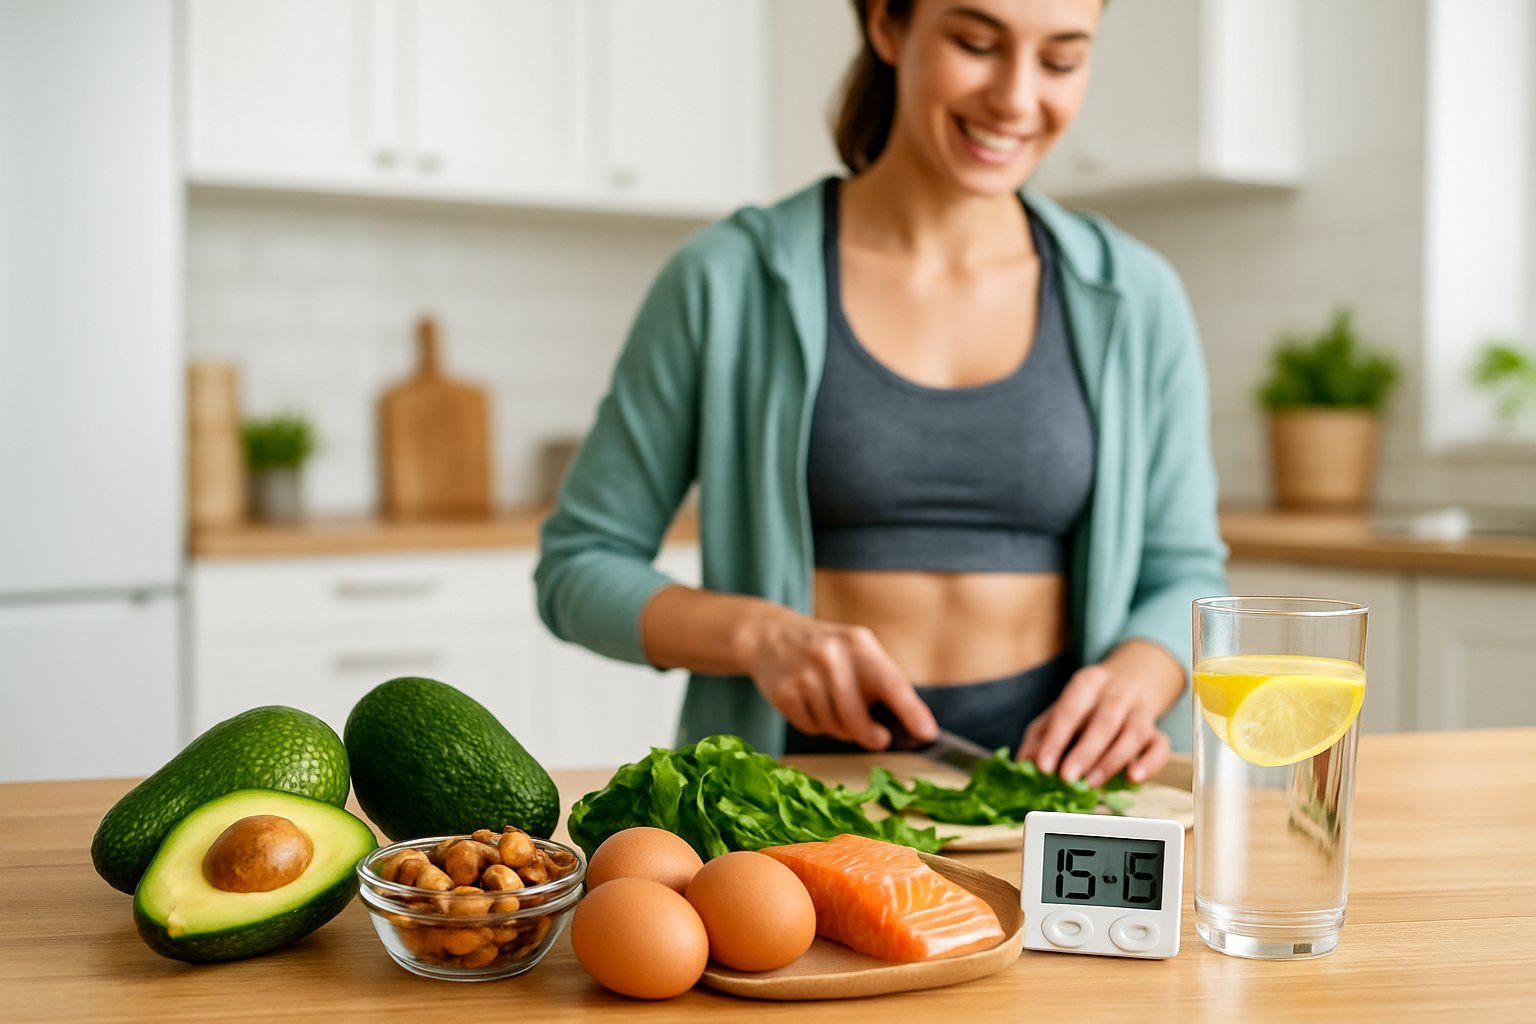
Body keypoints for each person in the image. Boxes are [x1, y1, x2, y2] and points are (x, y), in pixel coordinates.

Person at [536, 0, 1227, 788]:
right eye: (976, 43)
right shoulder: (726, 278)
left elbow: (1187, 575)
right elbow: (576, 568)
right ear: (887, 25)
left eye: (1061, 60)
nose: (1016, 97)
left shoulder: (1135, 295)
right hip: (791, 803)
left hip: (1060, 802)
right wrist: (761, 637)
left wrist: (1142, 676)